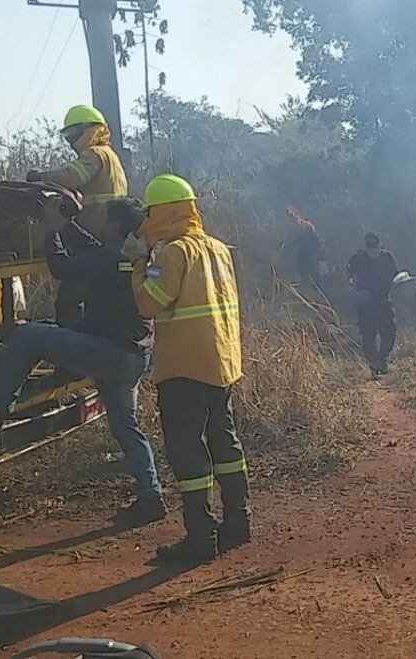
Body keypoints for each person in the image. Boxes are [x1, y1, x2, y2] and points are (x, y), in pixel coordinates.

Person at [0, 199, 164, 526]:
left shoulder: (110, 259)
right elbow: (96, 252)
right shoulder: (142, 258)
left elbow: (62, 268)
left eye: (108, 222)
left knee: (27, 336)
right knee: (127, 427)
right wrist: (67, 226)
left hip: (108, 352)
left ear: (117, 227)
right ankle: (151, 496)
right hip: (136, 356)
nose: (103, 226)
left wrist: (52, 231)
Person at [126, 174, 249, 564]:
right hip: (222, 362)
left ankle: (200, 538)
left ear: (160, 212)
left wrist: (137, 265)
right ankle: (238, 523)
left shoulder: (172, 254)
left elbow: (149, 305)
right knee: (224, 441)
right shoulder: (217, 248)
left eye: (149, 212)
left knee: (188, 449)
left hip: (184, 367)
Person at [27, 104, 128, 327]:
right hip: (107, 237)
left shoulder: (94, 154)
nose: (71, 140)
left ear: (89, 130)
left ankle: (70, 345)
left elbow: (71, 177)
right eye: (67, 135)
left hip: (95, 235)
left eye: (73, 134)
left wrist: (41, 177)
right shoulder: (111, 156)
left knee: (70, 297)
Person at [347, 232, 398, 378]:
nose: (373, 252)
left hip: (383, 300)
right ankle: (374, 363)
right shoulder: (359, 258)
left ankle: (381, 359)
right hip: (366, 303)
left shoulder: (387, 258)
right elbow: (349, 271)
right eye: (371, 249)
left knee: (389, 332)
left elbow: (395, 276)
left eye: (374, 248)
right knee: (368, 335)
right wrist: (351, 283)